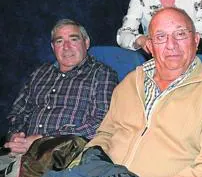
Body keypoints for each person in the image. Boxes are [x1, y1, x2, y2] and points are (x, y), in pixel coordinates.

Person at [85, 8, 202, 177]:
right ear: (150, 46)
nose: (171, 45)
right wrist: (88, 167)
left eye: (180, 34)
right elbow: (105, 134)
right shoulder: (130, 82)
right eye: (161, 36)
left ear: (196, 40)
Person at [3, 19, 118, 155]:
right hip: (22, 152)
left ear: (86, 43)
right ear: (53, 47)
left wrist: (43, 140)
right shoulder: (40, 73)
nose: (66, 47)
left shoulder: (102, 74)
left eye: (73, 39)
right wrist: (16, 136)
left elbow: (101, 122)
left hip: (65, 156)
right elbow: (18, 112)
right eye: (59, 41)